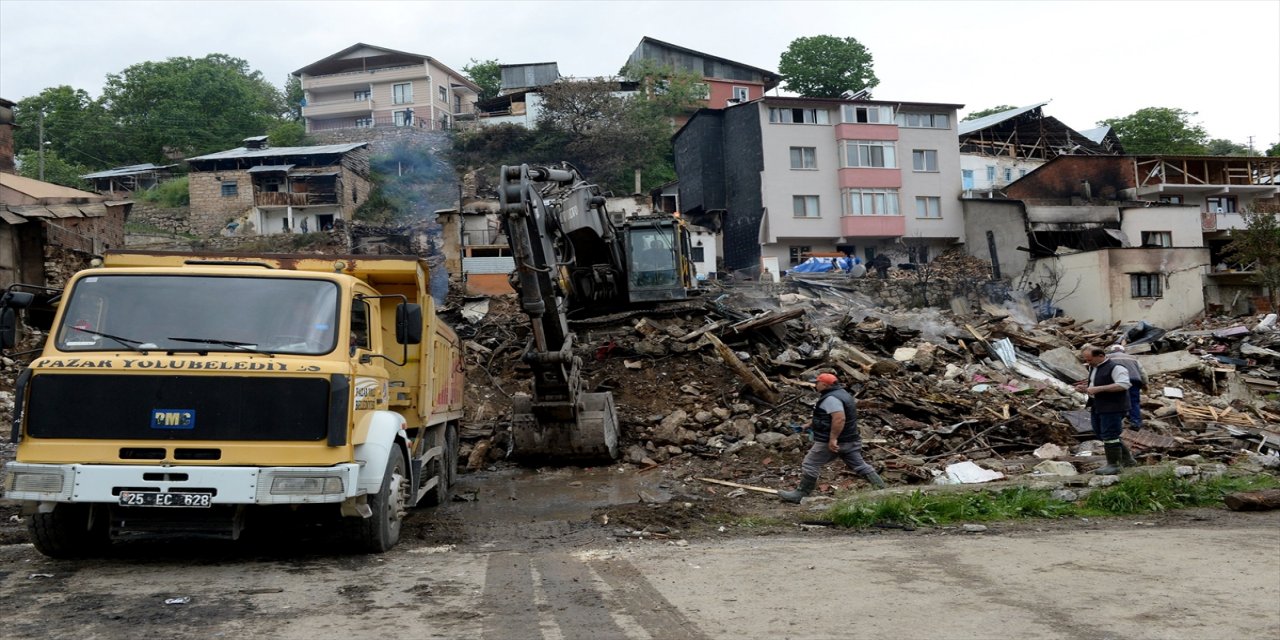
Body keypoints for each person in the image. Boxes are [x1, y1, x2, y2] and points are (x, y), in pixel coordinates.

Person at [778, 373, 885, 503]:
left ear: (824, 384)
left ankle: (800, 494)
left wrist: (833, 439)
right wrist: (807, 425)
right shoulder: (842, 394)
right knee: (860, 465)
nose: (815, 385)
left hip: (833, 440)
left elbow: (839, 418)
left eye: (816, 383)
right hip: (850, 439)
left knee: (810, 463)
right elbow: (826, 416)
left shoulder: (831, 399)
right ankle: (882, 490)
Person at [1075, 344, 1138, 474]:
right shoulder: (1094, 367)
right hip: (1098, 404)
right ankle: (1127, 460)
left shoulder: (1116, 368)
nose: (1088, 363)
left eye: (1089, 360)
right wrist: (1086, 388)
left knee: (1110, 434)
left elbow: (1124, 384)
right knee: (1101, 432)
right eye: (1086, 360)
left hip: (1114, 406)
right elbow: (1095, 383)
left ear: (1101, 356)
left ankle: (1114, 465)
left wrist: (1098, 389)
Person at [1106, 344, 1147, 432]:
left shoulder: (1107, 357)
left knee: (1116, 401)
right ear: (1123, 351)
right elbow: (1142, 372)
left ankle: (1116, 423)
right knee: (1134, 401)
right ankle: (1135, 422)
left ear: (1112, 351)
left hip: (1116, 381)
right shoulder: (1132, 357)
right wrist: (1145, 383)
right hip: (1133, 380)